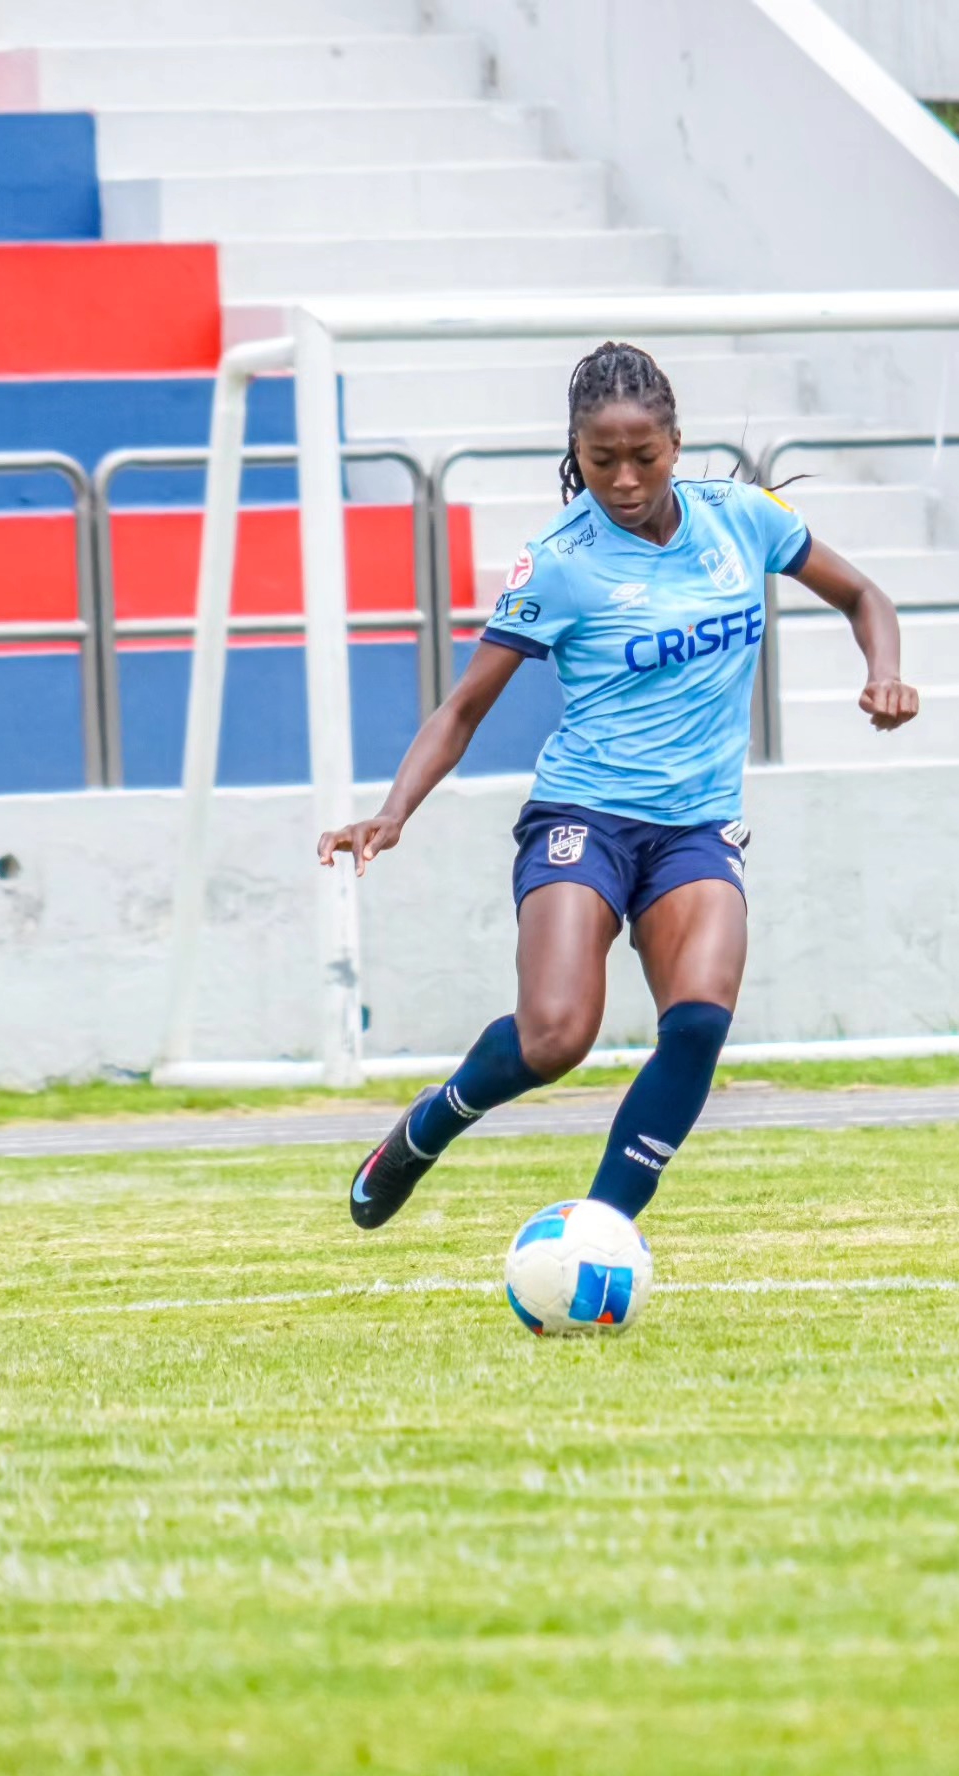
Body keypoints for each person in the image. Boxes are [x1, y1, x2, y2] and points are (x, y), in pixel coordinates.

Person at [319, 340, 919, 1228]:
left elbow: (864, 595)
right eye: (602, 461)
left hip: (698, 827)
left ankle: (600, 1232)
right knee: (556, 1036)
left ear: (676, 442)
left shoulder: (744, 518)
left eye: (644, 456)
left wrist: (886, 672)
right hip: (584, 817)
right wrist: (393, 811)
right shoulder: (559, 562)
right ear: (576, 451)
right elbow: (463, 708)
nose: (626, 479)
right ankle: (429, 1125)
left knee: (701, 1023)